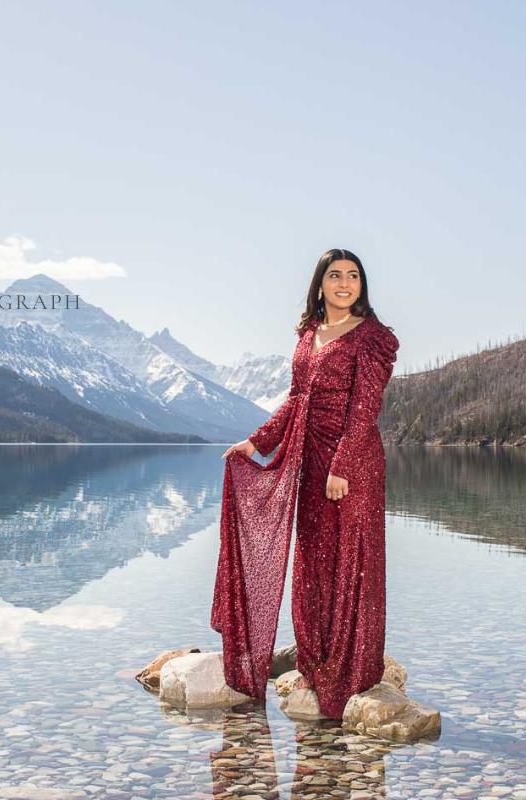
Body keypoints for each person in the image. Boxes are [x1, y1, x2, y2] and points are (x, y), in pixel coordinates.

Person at [211, 248, 400, 720]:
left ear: (362, 286)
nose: (344, 283)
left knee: (349, 557)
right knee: (313, 557)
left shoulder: (375, 338)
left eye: (353, 276)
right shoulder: (308, 335)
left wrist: (343, 466)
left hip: (350, 463)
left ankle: (352, 670)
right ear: (319, 284)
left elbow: (364, 408)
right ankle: (316, 662)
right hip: (309, 459)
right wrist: (256, 443)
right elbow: (296, 401)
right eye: (334, 275)